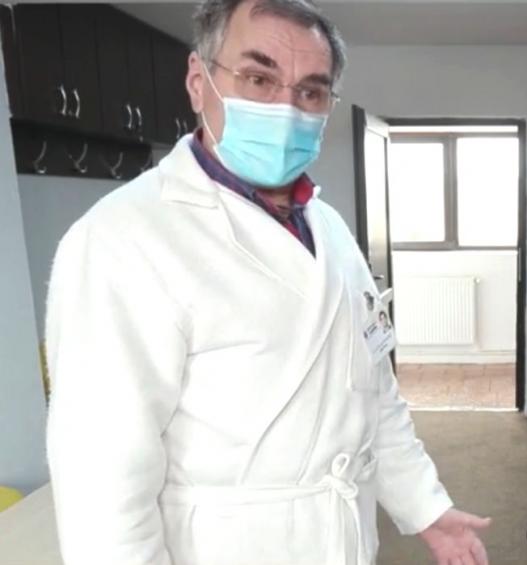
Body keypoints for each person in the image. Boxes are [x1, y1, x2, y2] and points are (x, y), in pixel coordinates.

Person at [43, 1, 490, 564]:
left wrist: (425, 506)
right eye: (258, 79)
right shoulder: (122, 239)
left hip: (342, 541)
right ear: (199, 82)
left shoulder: (328, 228)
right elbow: (102, 483)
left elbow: (373, 394)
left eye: (311, 91)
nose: (286, 108)